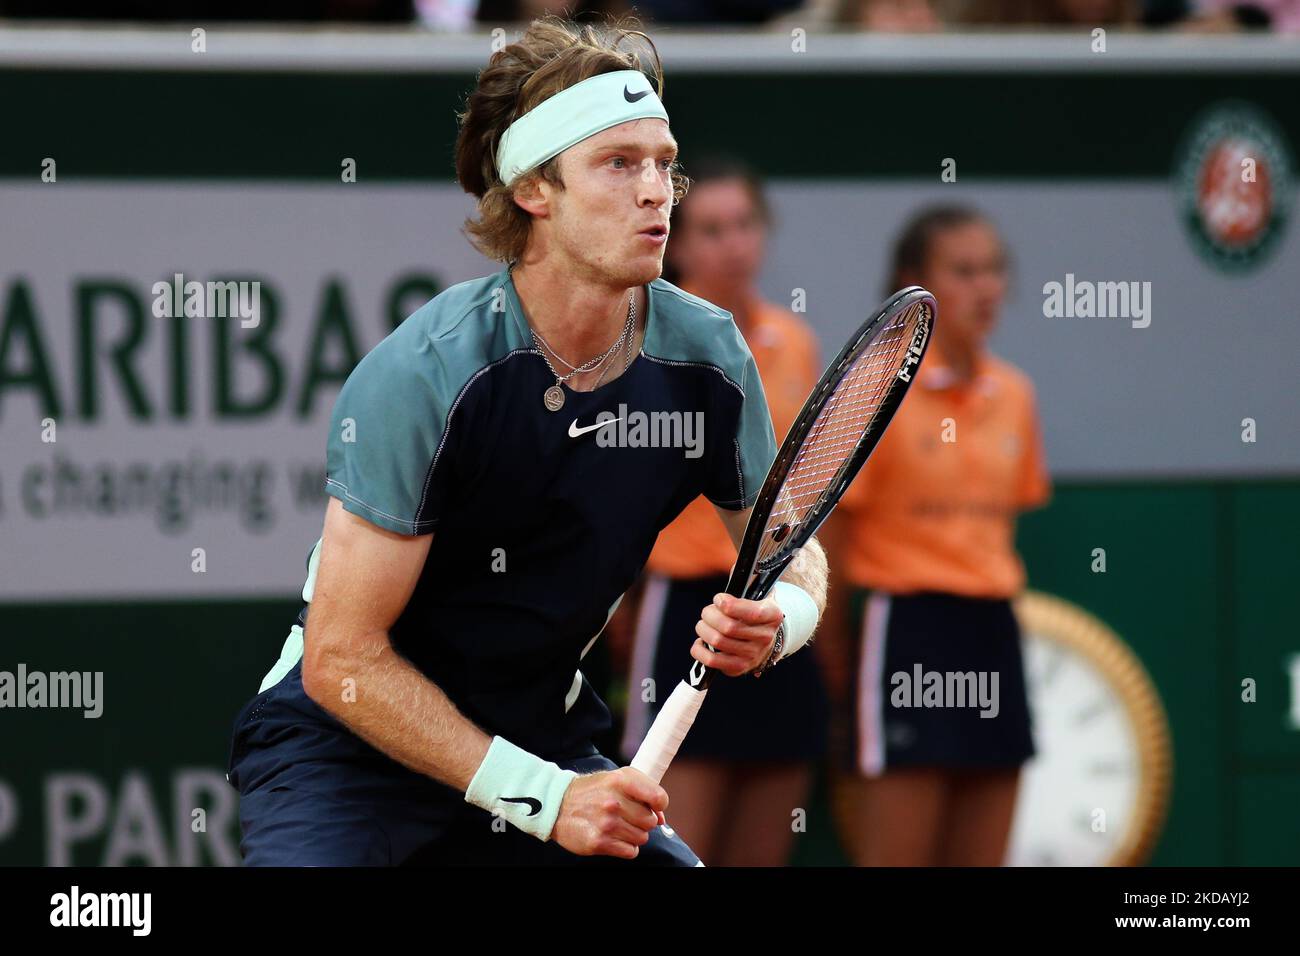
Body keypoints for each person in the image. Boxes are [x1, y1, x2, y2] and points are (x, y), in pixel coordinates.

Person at [224, 15, 829, 867]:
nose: (657, 191)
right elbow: (340, 658)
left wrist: (782, 619)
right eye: (619, 164)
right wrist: (550, 802)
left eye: (664, 163)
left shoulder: (709, 359)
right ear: (535, 191)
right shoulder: (425, 376)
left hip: (541, 727)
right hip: (350, 750)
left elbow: (792, 551)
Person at [819, 205, 1050, 866]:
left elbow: (1001, 527)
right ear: (914, 281)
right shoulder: (873, 389)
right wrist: (832, 655)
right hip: (907, 632)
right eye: (964, 271)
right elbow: (835, 533)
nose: (986, 288)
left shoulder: (1015, 394)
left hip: (994, 630)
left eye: (995, 270)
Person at [617, 157, 828, 867]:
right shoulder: (646, 339)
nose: (731, 243)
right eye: (710, 228)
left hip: (776, 615)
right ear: (677, 241)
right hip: (685, 611)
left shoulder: (795, 343)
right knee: (673, 845)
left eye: (743, 225)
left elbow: (811, 502)